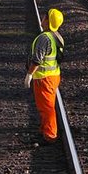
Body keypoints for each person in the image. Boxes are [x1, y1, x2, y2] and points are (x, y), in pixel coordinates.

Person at [25, 8, 66, 143]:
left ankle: (50, 135)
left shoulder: (44, 38)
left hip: (44, 78)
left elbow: (37, 59)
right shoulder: (57, 36)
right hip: (53, 76)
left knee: (47, 108)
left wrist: (29, 74)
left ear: (48, 21)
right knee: (46, 106)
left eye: (45, 17)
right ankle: (44, 130)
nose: (42, 18)